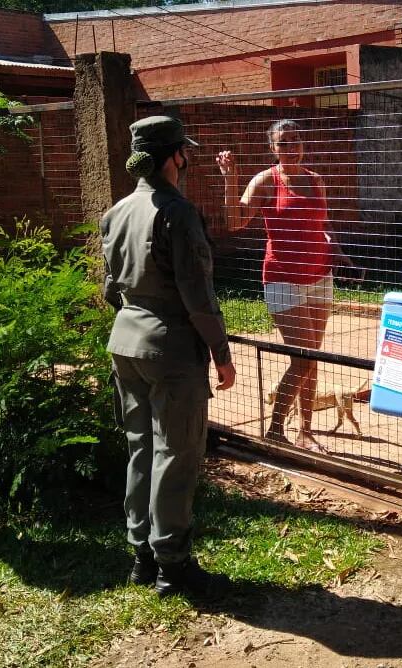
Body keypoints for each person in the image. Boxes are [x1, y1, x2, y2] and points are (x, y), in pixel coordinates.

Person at [102, 115, 236, 598]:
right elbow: (197, 296)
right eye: (185, 151)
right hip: (172, 347)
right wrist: (221, 354)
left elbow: (110, 290)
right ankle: (172, 564)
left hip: (126, 342)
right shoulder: (177, 213)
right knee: (176, 453)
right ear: (174, 157)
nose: (189, 159)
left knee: (141, 446)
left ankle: (141, 554)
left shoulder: (115, 213)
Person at [216, 120, 357, 452]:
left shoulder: (314, 179)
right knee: (302, 358)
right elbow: (235, 222)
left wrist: (340, 256)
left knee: (312, 356)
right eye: (283, 143)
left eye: (296, 141)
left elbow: (324, 224)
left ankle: (305, 431)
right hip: (282, 278)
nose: (291, 147)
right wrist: (230, 180)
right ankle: (276, 429)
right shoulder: (266, 181)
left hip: (320, 276)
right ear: (272, 148)